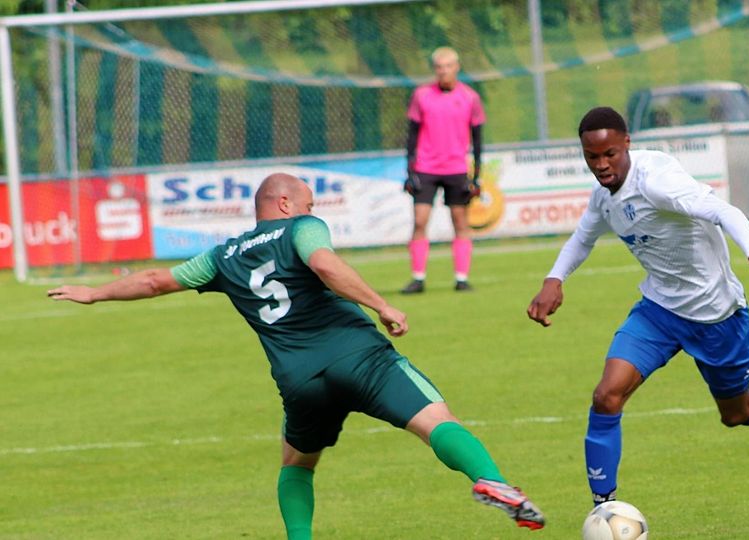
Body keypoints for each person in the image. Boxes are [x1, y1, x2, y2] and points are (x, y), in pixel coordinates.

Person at [48, 173, 545, 538]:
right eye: (307, 200)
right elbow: (325, 264)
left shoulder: (223, 257)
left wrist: (95, 293)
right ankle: (492, 481)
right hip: (358, 357)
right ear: (285, 203)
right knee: (436, 419)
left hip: (300, 380)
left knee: (298, 462)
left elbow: (157, 280)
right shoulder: (301, 228)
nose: (311, 207)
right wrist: (381, 303)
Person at [526, 107, 749, 506]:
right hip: (658, 312)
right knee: (606, 396)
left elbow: (723, 211)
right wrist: (554, 280)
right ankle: (605, 509)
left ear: (626, 143)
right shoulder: (604, 198)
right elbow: (582, 238)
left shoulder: (658, 182)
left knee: (737, 413)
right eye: (592, 157)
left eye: (609, 154)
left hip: (716, 315)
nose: (601, 165)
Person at [401, 46, 485, 294]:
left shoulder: (470, 97)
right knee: (420, 220)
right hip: (426, 168)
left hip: (456, 168)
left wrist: (476, 176)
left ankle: (461, 278)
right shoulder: (421, 95)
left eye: (448, 66)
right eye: (439, 67)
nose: (444, 71)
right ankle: (418, 278)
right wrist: (410, 171)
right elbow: (411, 135)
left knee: (460, 221)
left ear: (457, 67)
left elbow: (478, 139)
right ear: (435, 69)